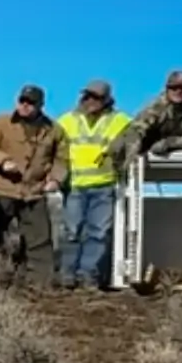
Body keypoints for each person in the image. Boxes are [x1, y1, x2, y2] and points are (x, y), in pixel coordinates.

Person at [0, 84, 67, 286]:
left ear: (40, 105)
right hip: (1, 190)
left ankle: (39, 284)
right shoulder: (0, 123)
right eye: (22, 101)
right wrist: (2, 160)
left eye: (31, 103)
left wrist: (55, 179)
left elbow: (61, 159)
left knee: (40, 241)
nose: (25, 106)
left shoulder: (54, 130)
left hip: (34, 192)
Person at [55, 79, 130, 291]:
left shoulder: (121, 121)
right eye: (87, 95)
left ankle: (88, 276)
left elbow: (133, 140)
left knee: (98, 233)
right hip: (74, 185)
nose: (90, 100)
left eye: (95, 97)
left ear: (106, 100)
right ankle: (67, 275)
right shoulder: (66, 120)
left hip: (104, 185)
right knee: (71, 231)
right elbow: (55, 150)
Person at [109, 70, 182, 167]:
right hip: (146, 146)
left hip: (175, 152)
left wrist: (170, 143)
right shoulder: (156, 106)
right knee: (119, 145)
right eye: (173, 88)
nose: (178, 92)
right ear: (167, 89)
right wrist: (132, 151)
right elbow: (137, 128)